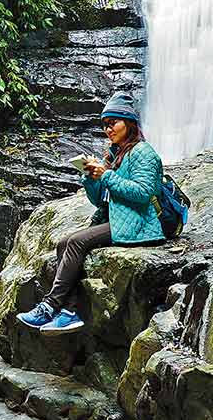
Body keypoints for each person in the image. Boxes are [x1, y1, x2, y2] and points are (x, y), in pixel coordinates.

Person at [16, 92, 166, 333]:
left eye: (113, 123)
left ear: (129, 123)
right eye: (105, 125)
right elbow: (100, 201)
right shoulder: (115, 155)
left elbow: (143, 193)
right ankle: (69, 312)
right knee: (64, 242)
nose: (109, 129)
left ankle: (50, 306)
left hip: (139, 223)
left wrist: (105, 175)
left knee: (76, 242)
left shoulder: (143, 153)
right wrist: (90, 177)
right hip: (117, 219)